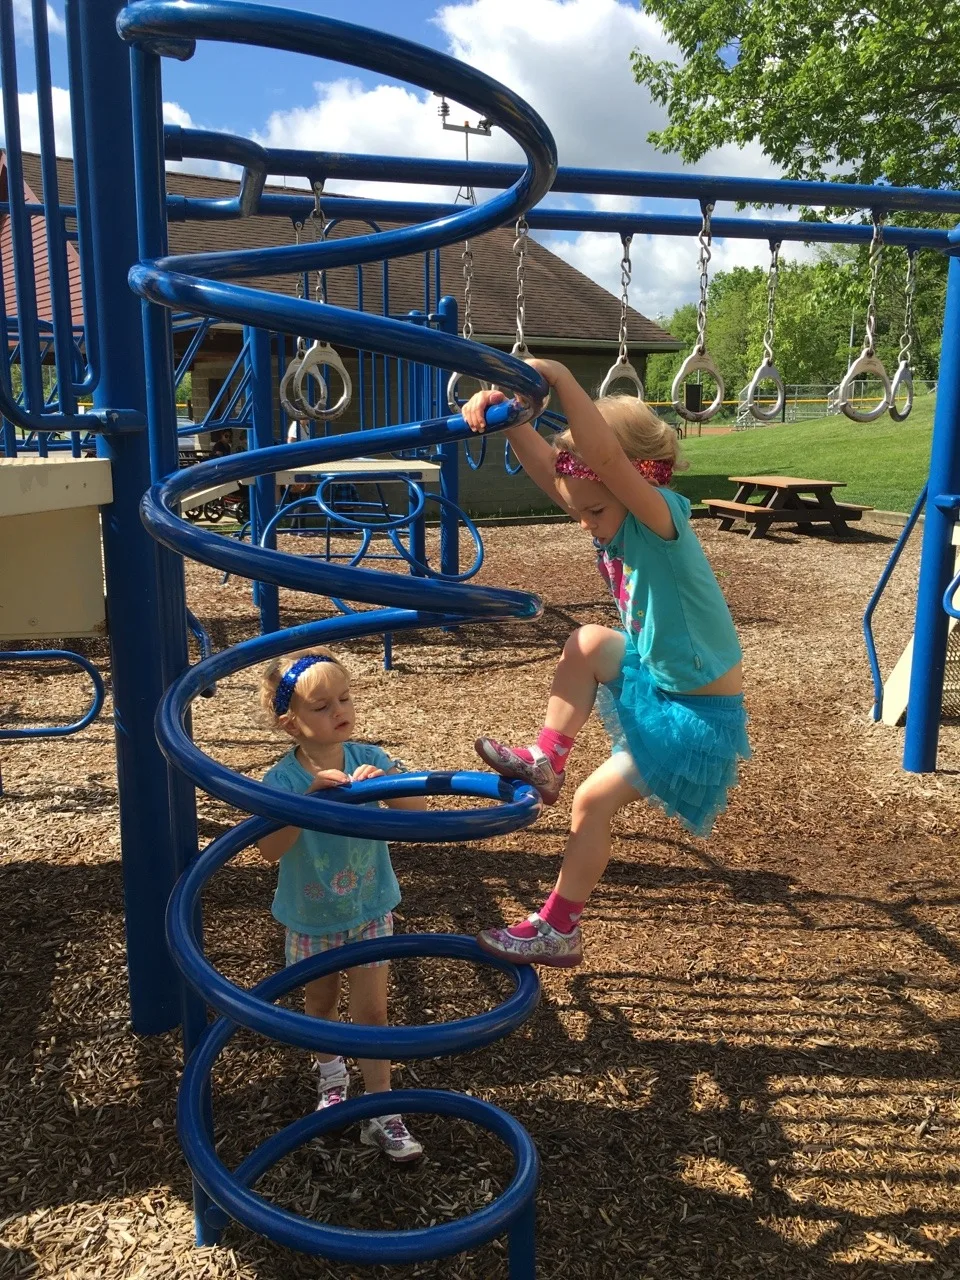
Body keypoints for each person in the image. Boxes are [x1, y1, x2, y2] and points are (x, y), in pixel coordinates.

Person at [461, 360, 749, 968]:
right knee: (586, 641)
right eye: (583, 512)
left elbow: (608, 463)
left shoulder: (660, 517)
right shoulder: (611, 511)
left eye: (593, 511)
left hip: (696, 717)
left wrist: (559, 379)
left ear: (626, 484)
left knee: (591, 803)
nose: (586, 523)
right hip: (661, 680)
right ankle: (546, 758)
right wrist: (509, 415)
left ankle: (560, 928)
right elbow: (554, 476)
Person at [258, 646, 425, 1162]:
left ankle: (382, 1113)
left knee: (373, 1012)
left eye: (345, 698)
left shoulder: (368, 759)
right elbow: (269, 850)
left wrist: (391, 787)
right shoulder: (282, 781)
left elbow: (418, 812)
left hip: (369, 907)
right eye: (323, 705)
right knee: (320, 1006)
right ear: (291, 724)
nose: (340, 711)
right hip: (311, 917)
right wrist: (304, 802)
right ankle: (332, 1082)